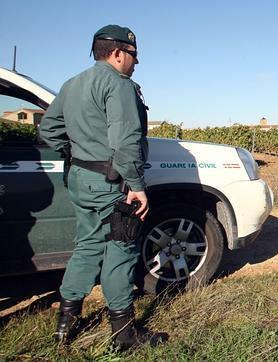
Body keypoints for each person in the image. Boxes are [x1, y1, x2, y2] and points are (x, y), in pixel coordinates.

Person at [40, 24, 165, 349]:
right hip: (113, 183)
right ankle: (124, 335)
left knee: (87, 246)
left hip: (81, 179)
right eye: (134, 55)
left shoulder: (73, 83)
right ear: (118, 53)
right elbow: (126, 141)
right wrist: (136, 185)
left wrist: (79, 156)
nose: (136, 63)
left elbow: (50, 130)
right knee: (120, 251)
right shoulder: (119, 85)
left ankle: (65, 325)